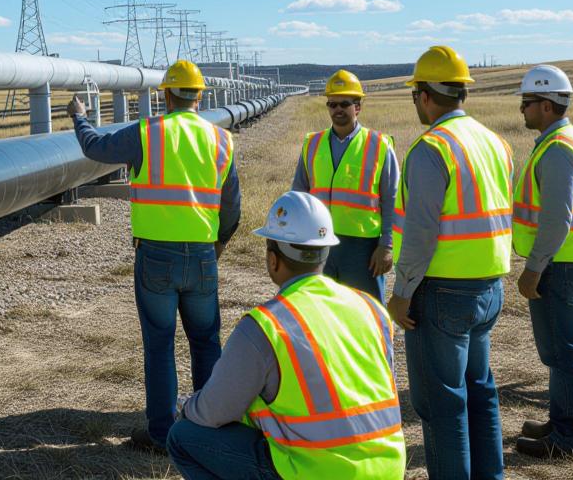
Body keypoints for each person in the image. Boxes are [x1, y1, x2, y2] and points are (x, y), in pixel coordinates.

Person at [166, 190, 406, 480]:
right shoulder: (372, 309)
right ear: (326, 251)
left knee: (182, 436)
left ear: (272, 260)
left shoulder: (266, 325)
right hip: (388, 469)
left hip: (319, 472)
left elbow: (213, 411)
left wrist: (186, 407)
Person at [68, 60, 241, 453]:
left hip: (156, 257)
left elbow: (95, 148)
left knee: (160, 345)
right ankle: (208, 428)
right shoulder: (222, 140)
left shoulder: (146, 133)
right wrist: (216, 245)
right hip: (202, 255)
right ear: (200, 97)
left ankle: (162, 434)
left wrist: (80, 117)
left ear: (166, 96)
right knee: (206, 342)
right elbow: (232, 208)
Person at [385, 45, 512, 480]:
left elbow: (420, 231)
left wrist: (402, 293)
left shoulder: (431, 148)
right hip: (489, 287)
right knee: (480, 391)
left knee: (442, 403)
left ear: (424, 96)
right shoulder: (494, 142)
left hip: (441, 291)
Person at [510, 65, 573, 462]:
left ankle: (570, 438)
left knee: (563, 354)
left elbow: (556, 219)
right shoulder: (569, 140)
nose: (522, 109)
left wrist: (533, 268)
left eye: (527, 102)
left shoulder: (558, 150)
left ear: (547, 105)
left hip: (561, 265)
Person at [290, 68, 399, 303]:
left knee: (365, 310)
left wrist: (387, 246)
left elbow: (392, 200)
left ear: (357, 107)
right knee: (323, 307)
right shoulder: (312, 143)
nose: (337, 109)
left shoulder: (379, 145)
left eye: (344, 104)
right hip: (319, 242)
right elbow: (298, 195)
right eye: (332, 104)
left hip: (362, 248)